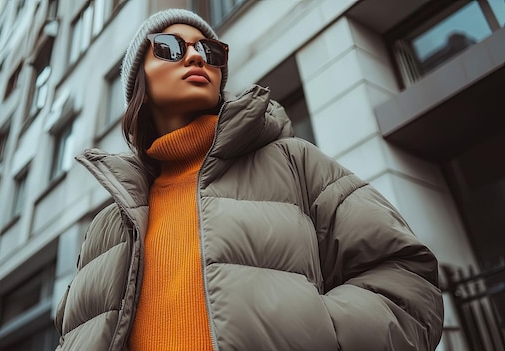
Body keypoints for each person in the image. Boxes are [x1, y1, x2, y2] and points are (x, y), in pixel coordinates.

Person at [54, 8, 444, 351]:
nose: (194, 56)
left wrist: (318, 334)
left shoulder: (294, 161)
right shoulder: (108, 224)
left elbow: (405, 278)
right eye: (170, 47)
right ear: (139, 79)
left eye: (210, 51)